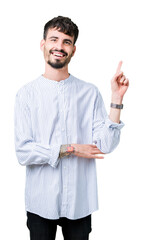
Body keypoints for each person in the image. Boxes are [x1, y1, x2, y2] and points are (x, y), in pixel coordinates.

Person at [14, 16, 129, 240]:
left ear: (73, 50)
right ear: (43, 44)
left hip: (79, 201)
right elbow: (23, 152)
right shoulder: (26, 94)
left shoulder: (89, 92)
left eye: (66, 42)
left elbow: (105, 145)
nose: (59, 46)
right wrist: (71, 149)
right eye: (54, 39)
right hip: (41, 202)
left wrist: (116, 98)